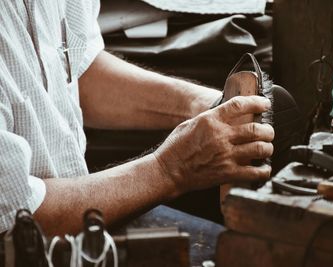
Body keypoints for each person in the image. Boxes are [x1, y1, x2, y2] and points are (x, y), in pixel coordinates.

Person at [0, 0, 274, 237]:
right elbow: (17, 216)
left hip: (79, 227)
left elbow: (78, 70)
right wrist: (171, 169)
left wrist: (207, 104)